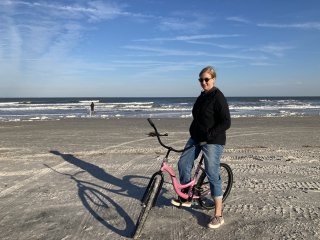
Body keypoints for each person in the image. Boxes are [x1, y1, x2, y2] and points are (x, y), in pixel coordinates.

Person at [171, 66, 231, 229]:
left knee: (212, 173)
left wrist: (210, 133)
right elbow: (198, 117)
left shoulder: (218, 97)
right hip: (196, 138)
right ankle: (187, 197)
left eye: (206, 79)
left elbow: (226, 122)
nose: (203, 82)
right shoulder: (202, 96)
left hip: (213, 140)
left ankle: (218, 215)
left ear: (213, 79)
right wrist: (194, 131)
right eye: (201, 80)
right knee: (183, 163)